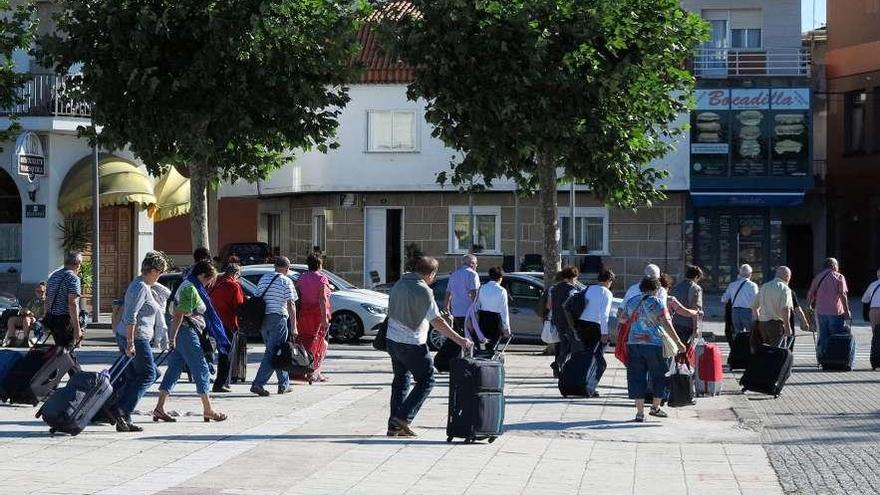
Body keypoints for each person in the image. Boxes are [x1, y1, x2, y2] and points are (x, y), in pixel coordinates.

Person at [386, 256, 473, 437]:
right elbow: (437, 321)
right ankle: (402, 418)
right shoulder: (423, 291)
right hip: (412, 342)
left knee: (401, 380)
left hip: (392, 340)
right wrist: (460, 340)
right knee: (427, 379)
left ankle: (394, 426)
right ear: (431, 274)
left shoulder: (399, 284)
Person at [152, 261, 227, 423]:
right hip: (187, 333)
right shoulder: (190, 288)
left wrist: (174, 337)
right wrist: (172, 337)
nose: (209, 283)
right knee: (201, 369)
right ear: (202, 276)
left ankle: (159, 408)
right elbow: (179, 314)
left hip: (183, 333)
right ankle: (208, 410)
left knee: (174, 370)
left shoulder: (189, 285)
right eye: (209, 280)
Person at [114, 252, 168, 432]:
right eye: (159, 273)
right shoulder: (140, 287)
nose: (159, 277)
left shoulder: (140, 284)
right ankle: (123, 412)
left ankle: (119, 410)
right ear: (152, 271)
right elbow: (131, 316)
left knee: (134, 376)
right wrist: (130, 342)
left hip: (131, 336)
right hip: (136, 338)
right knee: (148, 375)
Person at [621, 277, 685, 422]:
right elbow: (667, 323)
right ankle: (655, 407)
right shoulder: (657, 302)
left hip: (634, 343)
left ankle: (639, 413)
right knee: (659, 375)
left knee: (636, 377)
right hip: (654, 344)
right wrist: (678, 342)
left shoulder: (632, 301)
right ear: (656, 289)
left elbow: (622, 319)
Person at [250, 256, 298, 397]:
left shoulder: (264, 278)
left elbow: (257, 296)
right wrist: (294, 326)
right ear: (286, 268)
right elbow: (291, 304)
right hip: (278, 318)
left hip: (263, 320)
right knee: (273, 353)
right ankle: (258, 384)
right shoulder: (286, 280)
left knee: (278, 351)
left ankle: (284, 384)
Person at [208, 261, 245, 392]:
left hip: (212, 323)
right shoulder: (234, 285)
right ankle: (221, 383)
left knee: (211, 352)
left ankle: (213, 380)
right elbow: (239, 305)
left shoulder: (214, 283)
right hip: (228, 323)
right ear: (235, 274)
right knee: (226, 355)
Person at [296, 253, 331, 382]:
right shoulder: (322, 279)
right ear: (319, 264)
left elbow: (297, 295)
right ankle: (314, 372)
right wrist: (324, 317)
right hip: (317, 314)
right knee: (319, 343)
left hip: (304, 313)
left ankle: (302, 368)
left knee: (304, 341)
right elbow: (322, 298)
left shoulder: (302, 278)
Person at [807, 258, 851, 359]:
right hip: (835, 312)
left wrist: (808, 306)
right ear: (833, 266)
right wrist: (846, 310)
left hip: (820, 311)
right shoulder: (839, 277)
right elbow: (842, 295)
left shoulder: (818, 277)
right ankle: (835, 358)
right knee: (836, 335)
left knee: (823, 335)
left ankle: (822, 357)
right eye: (837, 266)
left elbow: (811, 293)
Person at [44, 252, 84, 349]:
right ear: (78, 264)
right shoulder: (73, 279)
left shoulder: (53, 276)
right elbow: (72, 304)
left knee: (60, 350)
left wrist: (46, 317)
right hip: (64, 320)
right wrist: (77, 328)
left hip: (52, 318)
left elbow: (47, 300)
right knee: (66, 353)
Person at [751, 266, 794, 350]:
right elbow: (785, 310)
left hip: (762, 324)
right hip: (776, 325)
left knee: (765, 350)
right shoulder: (785, 289)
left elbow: (754, 307)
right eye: (789, 276)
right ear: (786, 276)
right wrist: (788, 328)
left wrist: (757, 320)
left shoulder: (764, 286)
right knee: (777, 352)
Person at [548, 266, 580, 374]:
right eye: (576, 278)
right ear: (573, 277)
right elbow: (571, 307)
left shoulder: (555, 288)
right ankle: (558, 363)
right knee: (572, 344)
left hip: (557, 320)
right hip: (568, 321)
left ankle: (559, 366)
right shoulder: (571, 290)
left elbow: (551, 305)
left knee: (564, 344)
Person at [472, 266, 511, 351]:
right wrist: (506, 327)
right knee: (494, 344)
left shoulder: (482, 288)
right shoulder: (501, 290)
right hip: (496, 319)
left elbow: (476, 305)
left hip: (483, 317)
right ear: (500, 278)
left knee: (486, 342)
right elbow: (504, 310)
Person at [576, 269, 616, 350]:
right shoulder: (607, 293)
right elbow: (604, 315)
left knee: (584, 351)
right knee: (596, 353)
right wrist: (604, 333)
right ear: (608, 281)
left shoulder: (588, 289)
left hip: (581, 323)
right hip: (595, 325)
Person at [445, 254, 480, 333]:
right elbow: (473, 292)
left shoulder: (454, 274)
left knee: (460, 334)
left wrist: (446, 307)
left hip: (456, 310)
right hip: (468, 310)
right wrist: (476, 308)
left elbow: (448, 292)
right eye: (476, 263)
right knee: (471, 334)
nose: (476, 266)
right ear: (472, 263)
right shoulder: (473, 274)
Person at [670, 265, 704, 344]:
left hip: (675, 323)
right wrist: (696, 328)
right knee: (686, 352)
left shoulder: (675, 288)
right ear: (696, 277)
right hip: (688, 325)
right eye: (698, 278)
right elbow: (695, 309)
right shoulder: (696, 289)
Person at [721, 264, 759, 336]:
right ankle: (749, 347)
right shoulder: (752, 285)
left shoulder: (732, 285)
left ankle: (740, 347)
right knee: (751, 334)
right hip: (747, 312)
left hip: (735, 312)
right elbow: (756, 300)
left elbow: (723, 299)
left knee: (738, 335)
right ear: (750, 274)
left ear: (740, 273)